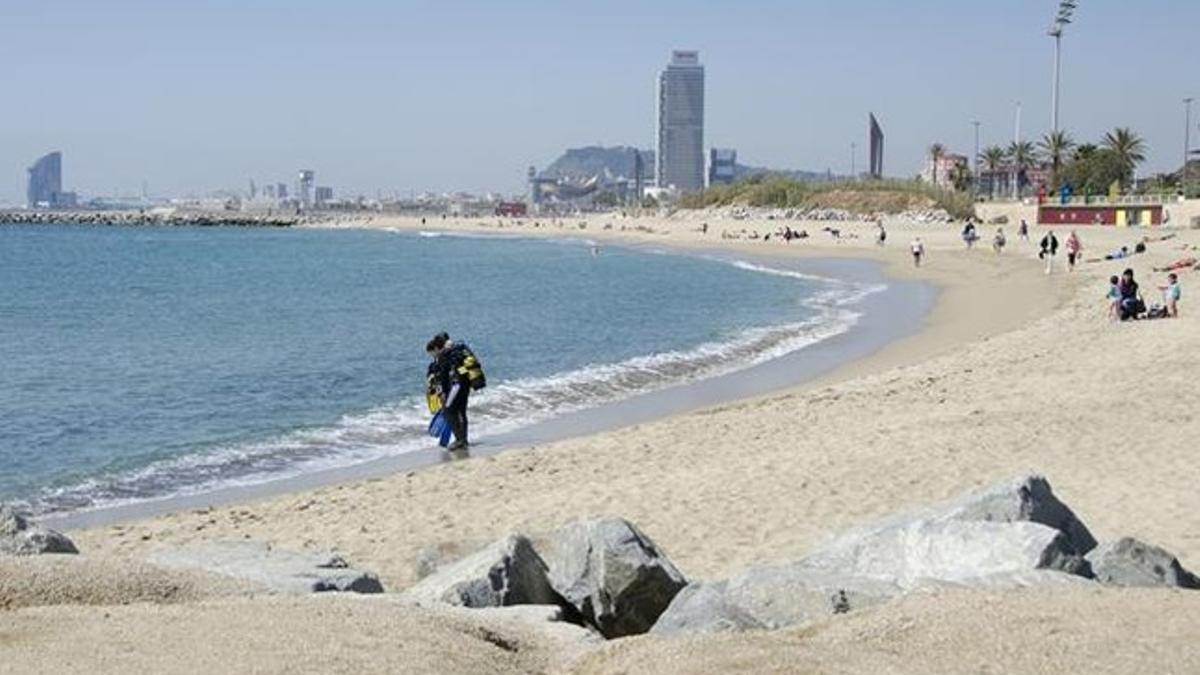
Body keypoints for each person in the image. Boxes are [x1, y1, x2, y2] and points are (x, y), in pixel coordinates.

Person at [426, 332, 487, 451]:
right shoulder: (459, 349)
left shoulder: (445, 354)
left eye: (433, 352)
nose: (433, 355)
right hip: (465, 384)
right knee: (461, 411)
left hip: (455, 386)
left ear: (437, 347)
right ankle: (463, 440)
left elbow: (443, 376)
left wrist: (442, 392)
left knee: (448, 411)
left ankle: (460, 440)